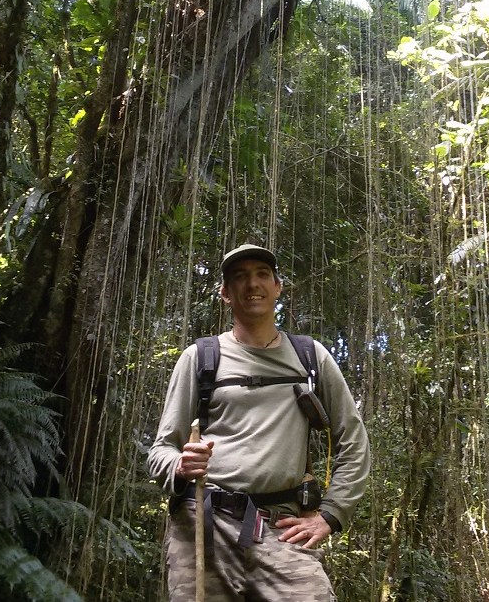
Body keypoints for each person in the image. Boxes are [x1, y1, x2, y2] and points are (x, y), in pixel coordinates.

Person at [148, 243, 370, 601]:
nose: (253, 284)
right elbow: (161, 449)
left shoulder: (310, 357)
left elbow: (353, 440)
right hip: (204, 522)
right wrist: (180, 465)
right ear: (225, 293)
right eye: (240, 277)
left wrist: (331, 514)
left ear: (277, 287)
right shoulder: (201, 357)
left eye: (262, 275)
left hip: (281, 526)